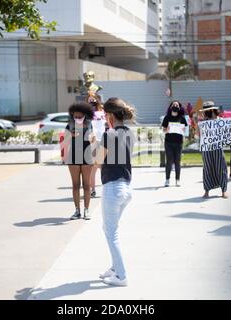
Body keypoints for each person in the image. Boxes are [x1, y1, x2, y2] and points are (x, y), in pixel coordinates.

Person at [95, 97, 135, 287]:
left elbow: (97, 161)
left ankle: (121, 275)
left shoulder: (109, 134)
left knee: (111, 233)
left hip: (113, 188)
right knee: (109, 229)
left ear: (110, 115)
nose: (104, 118)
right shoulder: (129, 133)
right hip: (126, 188)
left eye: (105, 115)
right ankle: (114, 268)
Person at [62, 102, 95, 220]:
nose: (78, 118)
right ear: (72, 115)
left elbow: (92, 138)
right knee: (75, 185)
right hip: (73, 157)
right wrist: (70, 136)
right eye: (75, 116)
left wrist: (92, 138)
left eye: (80, 116)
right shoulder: (69, 125)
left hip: (87, 157)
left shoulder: (89, 124)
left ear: (85, 115)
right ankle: (77, 211)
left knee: (87, 185)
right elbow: (63, 142)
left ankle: (86, 210)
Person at [198, 101, 228, 199]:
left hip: (217, 147)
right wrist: (197, 122)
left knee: (221, 167)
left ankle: (224, 190)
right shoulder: (202, 122)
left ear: (213, 110)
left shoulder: (220, 120)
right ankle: (206, 191)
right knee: (207, 168)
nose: (206, 112)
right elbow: (198, 135)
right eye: (205, 111)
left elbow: (226, 131)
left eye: (208, 110)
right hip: (206, 148)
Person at [161, 101, 188, 187]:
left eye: (177, 105)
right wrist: (167, 130)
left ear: (179, 107)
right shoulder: (167, 118)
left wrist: (184, 131)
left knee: (177, 161)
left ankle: (177, 180)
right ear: (171, 107)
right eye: (174, 105)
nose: (175, 106)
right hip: (168, 142)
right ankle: (167, 179)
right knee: (169, 161)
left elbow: (186, 131)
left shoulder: (182, 118)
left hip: (179, 143)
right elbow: (163, 130)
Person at [88, 92, 106, 198]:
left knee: (103, 167)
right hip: (94, 142)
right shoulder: (88, 113)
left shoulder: (103, 111)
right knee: (93, 167)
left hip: (104, 140)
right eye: (89, 99)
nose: (92, 101)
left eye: (93, 99)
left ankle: (105, 189)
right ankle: (93, 190)